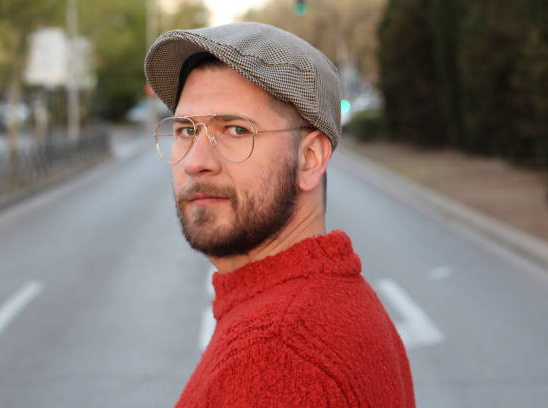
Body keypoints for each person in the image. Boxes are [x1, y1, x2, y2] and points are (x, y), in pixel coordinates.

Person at [144, 22, 415, 408]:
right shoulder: (328, 301)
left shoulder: (278, 353)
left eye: (235, 130)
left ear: (309, 159)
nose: (196, 163)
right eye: (186, 131)